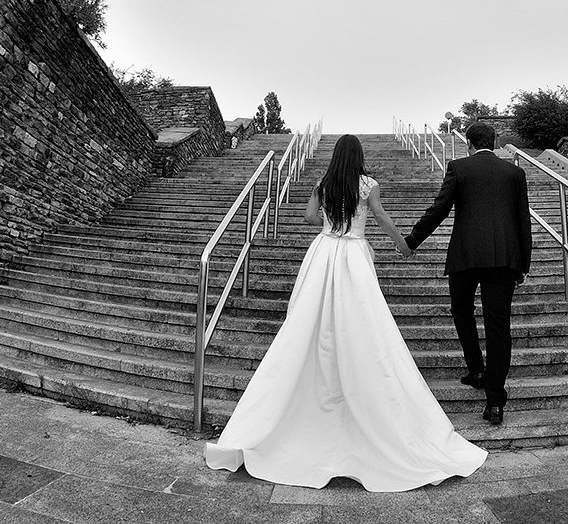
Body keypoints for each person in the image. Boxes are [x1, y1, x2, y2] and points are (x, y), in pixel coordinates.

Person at [204, 134, 485, 491]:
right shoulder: (368, 185)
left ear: (336, 155)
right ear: (359, 156)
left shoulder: (325, 182)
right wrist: (403, 244)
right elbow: (379, 216)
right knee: (363, 324)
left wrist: (329, 224)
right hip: (353, 255)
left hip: (323, 252)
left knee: (308, 323)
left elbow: (308, 216)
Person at [405, 122, 531, 426]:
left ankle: (476, 370)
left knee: (461, 310)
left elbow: (439, 209)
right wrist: (523, 264)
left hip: (466, 256)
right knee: (499, 327)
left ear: (468, 144)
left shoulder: (459, 168)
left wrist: (411, 242)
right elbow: (523, 221)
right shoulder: (514, 173)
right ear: (495, 142)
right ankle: (495, 401)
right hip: (504, 259)